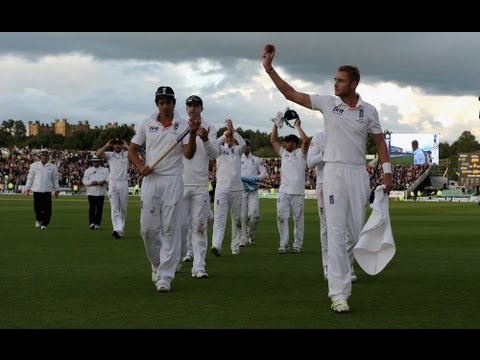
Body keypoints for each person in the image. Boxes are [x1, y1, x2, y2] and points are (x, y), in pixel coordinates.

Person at [263, 45, 392, 313]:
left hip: (358, 172)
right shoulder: (327, 103)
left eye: (340, 80)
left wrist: (387, 173)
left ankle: (344, 274)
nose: (335, 84)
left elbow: (380, 143)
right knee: (334, 233)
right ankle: (339, 293)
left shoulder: (368, 111)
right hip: (332, 172)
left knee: (354, 234)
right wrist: (269, 68)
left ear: (353, 84)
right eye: (334, 79)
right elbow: (291, 93)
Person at [128, 86, 200, 293]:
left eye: (169, 102)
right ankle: (157, 264)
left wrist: (193, 135)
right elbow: (132, 150)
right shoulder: (146, 123)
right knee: (147, 229)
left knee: (170, 228)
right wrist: (141, 166)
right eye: (162, 102)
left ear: (174, 103)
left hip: (173, 180)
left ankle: (165, 277)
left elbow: (188, 154)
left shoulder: (184, 125)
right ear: (157, 104)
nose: (165, 106)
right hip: (151, 180)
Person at [307, 131, 358, 282]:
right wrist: (324, 153)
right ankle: (328, 267)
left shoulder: (347, 134)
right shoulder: (319, 137)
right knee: (327, 228)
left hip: (345, 184)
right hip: (325, 184)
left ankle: (347, 266)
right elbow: (310, 163)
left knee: (349, 227)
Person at [178, 95, 219, 278]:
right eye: (190, 106)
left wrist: (206, 140)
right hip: (179, 182)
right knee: (179, 226)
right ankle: (177, 260)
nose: (192, 108)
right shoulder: (179, 126)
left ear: (202, 108)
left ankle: (199, 266)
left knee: (199, 226)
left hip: (200, 184)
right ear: (186, 108)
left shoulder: (210, 128)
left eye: (196, 105)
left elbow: (215, 154)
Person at [270, 110, 309, 254]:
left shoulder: (301, 153)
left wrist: (298, 126)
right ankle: (283, 244)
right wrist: (275, 124)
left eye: (287, 142)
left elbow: (305, 141)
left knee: (298, 219)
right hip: (284, 191)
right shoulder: (284, 153)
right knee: (281, 217)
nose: (284, 143)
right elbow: (273, 141)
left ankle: (297, 245)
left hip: (297, 192)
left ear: (293, 143)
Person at [210, 119, 246, 257]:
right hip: (222, 190)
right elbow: (213, 144)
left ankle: (235, 247)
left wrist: (234, 131)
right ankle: (216, 246)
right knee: (219, 219)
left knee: (236, 219)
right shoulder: (219, 150)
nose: (230, 138)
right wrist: (225, 134)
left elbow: (243, 143)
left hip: (237, 189)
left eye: (231, 137)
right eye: (228, 137)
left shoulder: (237, 150)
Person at [97, 137, 130, 239]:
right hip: (113, 183)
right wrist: (107, 145)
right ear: (113, 145)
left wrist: (126, 146)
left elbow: (135, 153)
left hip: (124, 182)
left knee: (123, 208)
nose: (117, 146)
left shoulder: (126, 154)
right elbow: (98, 154)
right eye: (115, 144)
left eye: (119, 144)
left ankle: (121, 228)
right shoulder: (110, 155)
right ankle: (117, 229)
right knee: (114, 207)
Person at [240, 138, 268, 246]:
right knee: (243, 216)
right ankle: (243, 238)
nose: (245, 147)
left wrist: (255, 179)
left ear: (250, 147)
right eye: (244, 145)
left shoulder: (256, 159)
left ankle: (251, 234)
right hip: (242, 191)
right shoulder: (237, 159)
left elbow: (264, 173)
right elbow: (233, 173)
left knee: (254, 216)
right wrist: (241, 178)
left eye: (247, 145)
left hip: (253, 191)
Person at [23, 149, 60, 230]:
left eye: (46, 156)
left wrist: (57, 189)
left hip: (47, 190)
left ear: (48, 157)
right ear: (40, 157)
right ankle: (39, 219)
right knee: (37, 209)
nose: (44, 157)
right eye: (43, 156)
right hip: (37, 190)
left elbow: (55, 179)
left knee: (48, 210)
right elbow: (30, 178)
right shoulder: (34, 165)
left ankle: (45, 224)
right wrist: (27, 187)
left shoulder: (53, 167)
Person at [82, 155, 109, 230]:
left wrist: (103, 181)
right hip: (91, 192)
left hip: (101, 192)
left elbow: (109, 179)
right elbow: (84, 181)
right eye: (94, 161)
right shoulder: (88, 170)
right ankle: (91, 223)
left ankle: (97, 224)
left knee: (99, 209)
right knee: (92, 209)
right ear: (92, 162)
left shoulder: (105, 170)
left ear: (100, 161)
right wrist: (91, 182)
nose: (95, 163)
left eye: (97, 161)